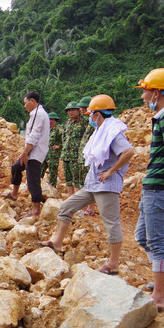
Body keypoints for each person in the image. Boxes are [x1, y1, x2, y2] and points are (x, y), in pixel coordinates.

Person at [41, 95, 134, 274]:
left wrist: (110, 171)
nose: (89, 117)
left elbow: (129, 151)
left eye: (91, 114)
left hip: (106, 186)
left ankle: (113, 263)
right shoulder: (101, 130)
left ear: (98, 114)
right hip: (92, 185)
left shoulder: (113, 132)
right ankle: (57, 242)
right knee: (66, 207)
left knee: (111, 223)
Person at [135, 68, 164, 309]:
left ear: (157, 92)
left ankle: (160, 296)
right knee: (141, 236)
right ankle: (163, 284)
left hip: (160, 189)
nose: (143, 98)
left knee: (158, 242)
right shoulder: (162, 116)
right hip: (153, 188)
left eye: (146, 92)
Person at [2, 91, 50, 218]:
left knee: (33, 180)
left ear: (32, 101)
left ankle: (36, 210)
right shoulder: (36, 114)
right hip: (31, 151)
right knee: (16, 167)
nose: (24, 106)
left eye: (25, 103)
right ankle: (14, 194)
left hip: (35, 152)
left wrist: (25, 153)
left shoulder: (39, 114)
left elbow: (34, 135)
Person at [60, 100, 88, 198]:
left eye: (73, 110)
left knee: (77, 180)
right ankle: (70, 200)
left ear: (79, 110)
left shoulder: (85, 121)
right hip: (67, 155)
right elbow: (64, 137)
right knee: (68, 179)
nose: (70, 112)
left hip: (76, 156)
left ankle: (78, 204)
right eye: (68, 110)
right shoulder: (68, 122)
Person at [78, 96, 97, 216]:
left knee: (91, 182)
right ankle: (86, 206)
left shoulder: (94, 122)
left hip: (91, 158)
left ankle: (91, 207)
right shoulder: (88, 122)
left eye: (82, 108)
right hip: (84, 157)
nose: (80, 110)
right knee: (84, 181)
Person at [44, 112, 62, 188]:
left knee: (53, 172)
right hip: (46, 153)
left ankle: (52, 188)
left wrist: (59, 146)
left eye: (50, 119)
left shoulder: (59, 128)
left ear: (53, 120)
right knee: (41, 170)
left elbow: (65, 138)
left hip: (53, 155)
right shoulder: (49, 129)